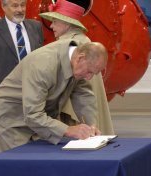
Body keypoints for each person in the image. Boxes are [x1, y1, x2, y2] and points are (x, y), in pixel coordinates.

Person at [0, 39, 108, 156]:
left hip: (37, 115)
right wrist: (68, 129)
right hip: (11, 115)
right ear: (80, 59)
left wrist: (91, 125)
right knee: (11, 165)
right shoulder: (43, 64)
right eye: (89, 72)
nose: (89, 78)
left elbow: (83, 95)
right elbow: (33, 114)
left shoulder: (79, 55)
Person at [39, 0, 114, 135]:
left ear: (67, 23)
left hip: (78, 116)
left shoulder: (70, 46)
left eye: (55, 21)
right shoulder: (83, 41)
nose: (51, 25)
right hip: (87, 114)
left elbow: (77, 92)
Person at [0, 0, 44, 106]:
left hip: (33, 95)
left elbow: (40, 60)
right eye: (15, 6)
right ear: (4, 7)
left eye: (23, 5)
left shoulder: (36, 27)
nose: (20, 10)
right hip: (2, 98)